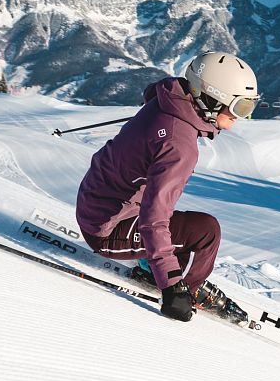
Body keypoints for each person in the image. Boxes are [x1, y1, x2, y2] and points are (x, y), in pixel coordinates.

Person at [75, 51, 260, 323]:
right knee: (205, 233)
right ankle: (187, 288)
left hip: (99, 203)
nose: (240, 118)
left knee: (188, 227)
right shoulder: (179, 145)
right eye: (239, 108)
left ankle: (153, 265)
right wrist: (171, 286)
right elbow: (153, 219)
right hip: (106, 229)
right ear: (211, 98)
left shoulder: (167, 101)